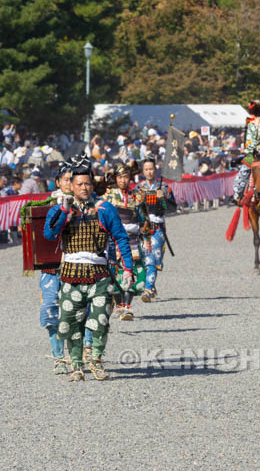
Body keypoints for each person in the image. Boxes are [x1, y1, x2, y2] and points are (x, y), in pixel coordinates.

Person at [43, 158, 134, 382]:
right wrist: (64, 212)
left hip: (99, 275)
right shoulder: (60, 210)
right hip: (71, 275)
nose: (84, 188)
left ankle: (96, 360)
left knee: (100, 320)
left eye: (87, 184)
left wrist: (128, 269)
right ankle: (76, 365)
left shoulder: (104, 208)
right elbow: (49, 234)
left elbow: (121, 238)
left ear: (92, 186)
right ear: (71, 186)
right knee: (70, 321)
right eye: (80, 184)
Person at [38, 162, 74, 374]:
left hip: (77, 268)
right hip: (51, 268)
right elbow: (47, 235)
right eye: (66, 179)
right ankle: (58, 357)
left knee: (78, 312)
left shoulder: (86, 205)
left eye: (74, 179)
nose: (70, 183)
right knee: (50, 310)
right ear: (58, 182)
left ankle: (79, 356)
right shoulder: (49, 206)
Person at [102, 164, 148, 320]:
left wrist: (146, 235)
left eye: (126, 177)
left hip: (133, 238)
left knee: (137, 271)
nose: (123, 180)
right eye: (120, 177)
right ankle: (120, 304)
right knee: (115, 272)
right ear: (115, 178)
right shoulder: (108, 195)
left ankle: (127, 306)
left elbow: (143, 217)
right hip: (113, 239)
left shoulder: (137, 195)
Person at [136, 158, 177, 302]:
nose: (149, 172)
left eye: (151, 169)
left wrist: (163, 199)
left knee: (155, 258)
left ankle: (149, 287)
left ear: (156, 169)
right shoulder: (139, 188)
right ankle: (148, 288)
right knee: (147, 259)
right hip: (143, 229)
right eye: (146, 169)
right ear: (143, 171)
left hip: (158, 228)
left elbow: (171, 208)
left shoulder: (164, 187)